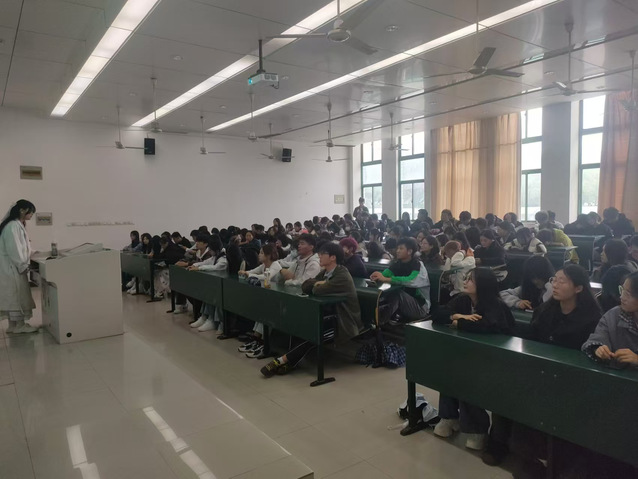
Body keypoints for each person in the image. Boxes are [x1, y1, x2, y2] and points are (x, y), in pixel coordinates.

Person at [433, 268, 514, 450]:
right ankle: (449, 417)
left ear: (483, 285)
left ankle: (477, 429)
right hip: (469, 354)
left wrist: (458, 323)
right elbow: (437, 314)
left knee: (467, 377)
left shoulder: (495, 305)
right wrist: (456, 315)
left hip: (497, 359)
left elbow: (487, 327)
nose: (466, 282)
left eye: (471, 279)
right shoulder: (463, 300)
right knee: (447, 370)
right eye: (467, 278)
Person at [260, 242, 362, 377]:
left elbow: (318, 290)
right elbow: (306, 285)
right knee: (300, 322)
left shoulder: (342, 275)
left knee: (314, 331)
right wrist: (319, 283)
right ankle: (289, 362)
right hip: (328, 315)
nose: (319, 256)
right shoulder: (325, 272)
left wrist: (320, 285)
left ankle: (282, 360)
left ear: (333, 257)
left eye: (323, 254)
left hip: (343, 319)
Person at [530, 264, 601, 349]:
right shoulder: (544, 310)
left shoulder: (592, 318)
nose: (555, 285)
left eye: (561, 282)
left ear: (578, 288)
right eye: (554, 280)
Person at [582, 271, 638, 368]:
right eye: (622, 290)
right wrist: (597, 349)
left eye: (628, 294)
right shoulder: (614, 315)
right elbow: (594, 340)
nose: (622, 297)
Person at [0, 200, 38, 334]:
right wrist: (22, 265)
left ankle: (13, 326)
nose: (32, 214)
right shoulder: (12, 226)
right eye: (31, 211)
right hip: (13, 267)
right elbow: (14, 249)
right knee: (17, 296)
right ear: (22, 210)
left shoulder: (16, 225)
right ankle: (19, 325)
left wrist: (34, 252)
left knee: (12, 296)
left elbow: (22, 246)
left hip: (11, 267)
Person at [371, 238, 430, 323]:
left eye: (401, 248)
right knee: (382, 295)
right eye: (397, 248)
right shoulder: (398, 264)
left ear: (409, 251)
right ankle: (375, 320)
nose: (397, 251)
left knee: (397, 294)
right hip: (404, 305)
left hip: (420, 307)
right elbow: (386, 274)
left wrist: (387, 279)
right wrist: (377, 275)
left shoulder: (417, 264)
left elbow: (411, 281)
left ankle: (379, 322)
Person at [188, 234, 228, 332]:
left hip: (223, 287)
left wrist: (200, 268)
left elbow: (215, 267)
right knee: (207, 295)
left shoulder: (223, 259)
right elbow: (206, 262)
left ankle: (211, 320)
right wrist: (195, 265)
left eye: (210, 248)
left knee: (212, 296)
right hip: (215, 285)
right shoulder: (215, 256)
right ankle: (204, 317)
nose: (209, 250)